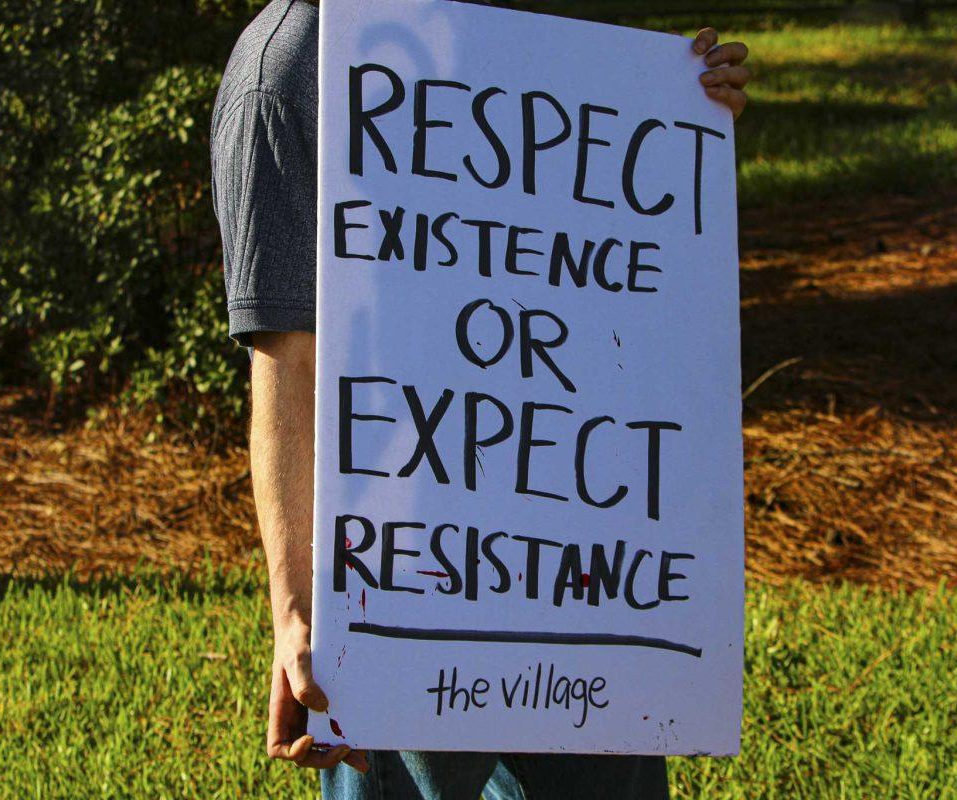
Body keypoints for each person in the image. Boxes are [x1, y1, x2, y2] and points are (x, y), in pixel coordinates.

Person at [210, 1, 750, 797]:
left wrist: (689, 110)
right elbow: (285, 357)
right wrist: (295, 608)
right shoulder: (285, 69)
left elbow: (594, 248)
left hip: (583, 554)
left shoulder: (491, 28)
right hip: (406, 580)